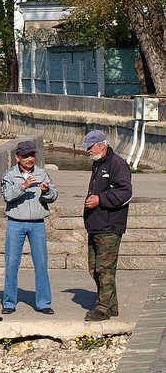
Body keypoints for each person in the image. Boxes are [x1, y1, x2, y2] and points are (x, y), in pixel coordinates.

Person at [80, 130, 132, 321]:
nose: (87, 151)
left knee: (104, 268)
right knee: (94, 268)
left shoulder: (117, 164)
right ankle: (112, 305)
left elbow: (125, 191)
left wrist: (100, 199)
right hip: (96, 225)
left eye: (90, 147)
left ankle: (102, 309)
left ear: (102, 144)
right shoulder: (98, 163)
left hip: (109, 226)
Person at [0, 140, 58, 315]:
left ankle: (44, 302)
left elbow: (54, 195)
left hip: (37, 223)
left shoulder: (42, 173)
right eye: (25, 156)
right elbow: (7, 196)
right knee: (11, 263)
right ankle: (9, 302)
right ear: (17, 157)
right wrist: (23, 186)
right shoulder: (9, 175)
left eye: (32, 155)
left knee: (41, 263)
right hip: (15, 223)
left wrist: (47, 191)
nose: (30, 159)